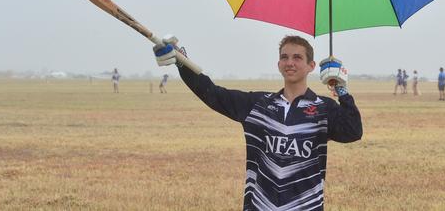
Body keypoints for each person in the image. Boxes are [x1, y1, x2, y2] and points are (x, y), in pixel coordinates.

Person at [153, 35, 362, 210]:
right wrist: (182, 62)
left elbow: (353, 132)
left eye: (297, 57)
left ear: (311, 66)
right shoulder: (258, 105)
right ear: (278, 64)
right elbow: (213, 94)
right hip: (260, 205)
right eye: (284, 57)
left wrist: (341, 89)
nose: (290, 62)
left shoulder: (323, 108)